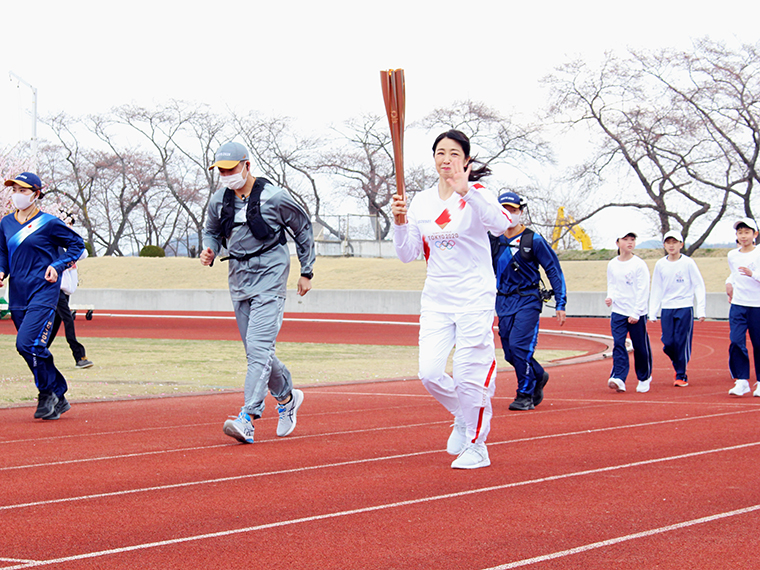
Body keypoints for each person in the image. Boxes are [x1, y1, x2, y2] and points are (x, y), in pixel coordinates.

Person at [392, 129, 512, 469]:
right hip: (437, 299)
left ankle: (477, 445)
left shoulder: (477, 193)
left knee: (467, 374)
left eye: (454, 154)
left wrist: (467, 192)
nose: (447, 159)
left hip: (474, 296)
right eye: (441, 153)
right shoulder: (421, 202)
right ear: (434, 159)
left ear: (467, 161)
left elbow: (500, 224)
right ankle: (463, 413)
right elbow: (407, 254)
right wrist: (400, 222)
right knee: (429, 372)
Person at [201, 142, 315, 443]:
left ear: (247, 165)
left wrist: (306, 270)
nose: (225, 175)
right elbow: (211, 228)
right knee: (257, 350)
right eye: (220, 171)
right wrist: (209, 247)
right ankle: (288, 397)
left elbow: (303, 229)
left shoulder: (275, 197)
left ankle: (247, 417)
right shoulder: (219, 200)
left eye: (230, 169)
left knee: (258, 346)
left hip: (271, 276)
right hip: (239, 278)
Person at [0, 172, 85, 420]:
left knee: (26, 343)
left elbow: (77, 245)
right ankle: (57, 391)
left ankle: (47, 393)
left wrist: (57, 266)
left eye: (23, 191)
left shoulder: (48, 222)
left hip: (44, 292)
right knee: (32, 347)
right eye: (14, 190)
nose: (17, 195)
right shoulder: (5, 223)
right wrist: (2, 270)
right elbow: (2, 251)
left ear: (36, 194)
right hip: (17, 293)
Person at [490, 192, 567, 411]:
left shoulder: (533, 239)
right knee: (509, 353)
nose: (509, 214)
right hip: (503, 301)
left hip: (528, 300)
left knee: (519, 346)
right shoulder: (492, 239)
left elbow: (553, 269)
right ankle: (538, 374)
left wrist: (561, 303)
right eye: (505, 210)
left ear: (521, 212)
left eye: (513, 210)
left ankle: (525, 394)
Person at [648, 230, 706, 387]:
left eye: (675, 242)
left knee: (681, 341)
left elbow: (698, 285)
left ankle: (681, 374)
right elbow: (657, 288)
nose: (671, 246)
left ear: (681, 244)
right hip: (667, 308)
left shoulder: (688, 263)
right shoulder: (660, 264)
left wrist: (701, 309)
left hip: (684, 307)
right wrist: (652, 311)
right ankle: (678, 363)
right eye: (668, 242)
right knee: (668, 343)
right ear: (664, 245)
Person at [605, 231, 653, 393]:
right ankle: (619, 377)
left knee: (639, 346)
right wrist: (610, 297)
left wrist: (636, 312)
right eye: (625, 239)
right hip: (618, 311)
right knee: (619, 344)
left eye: (632, 239)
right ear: (617, 242)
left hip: (636, 312)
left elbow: (643, 290)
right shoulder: (612, 264)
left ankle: (644, 377)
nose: (630, 242)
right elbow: (612, 284)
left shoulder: (639, 264)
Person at [725, 217, 760, 397]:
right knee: (736, 340)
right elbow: (733, 274)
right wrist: (728, 282)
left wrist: (752, 273)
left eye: (747, 232)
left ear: (755, 234)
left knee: (758, 343)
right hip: (738, 304)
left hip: (757, 305)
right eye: (740, 233)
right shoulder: (733, 255)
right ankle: (741, 380)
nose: (743, 236)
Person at [47, 248, 94, 369]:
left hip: (65, 292)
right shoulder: (55, 248)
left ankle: (40, 351)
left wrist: (72, 237)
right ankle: (79, 356)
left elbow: (84, 253)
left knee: (56, 322)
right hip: (56, 290)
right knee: (68, 319)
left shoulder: (69, 248)